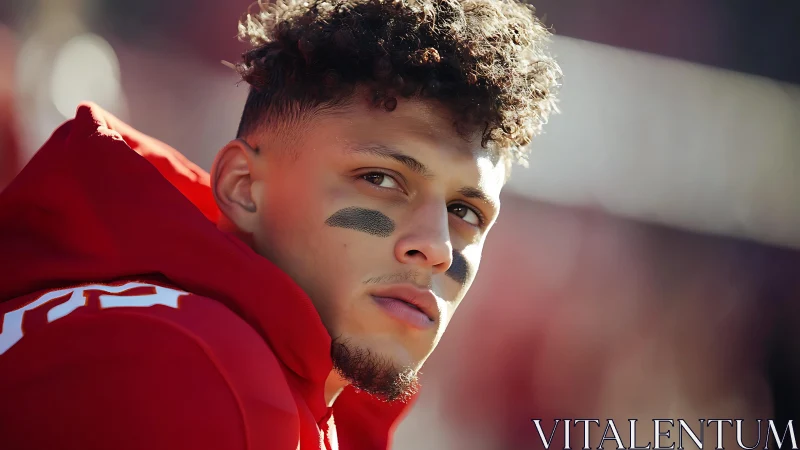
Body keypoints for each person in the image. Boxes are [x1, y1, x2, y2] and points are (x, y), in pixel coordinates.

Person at [0, 0, 560, 448]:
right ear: (244, 188)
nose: (436, 247)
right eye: (382, 180)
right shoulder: (197, 374)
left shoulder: (275, 383)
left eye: (465, 212)